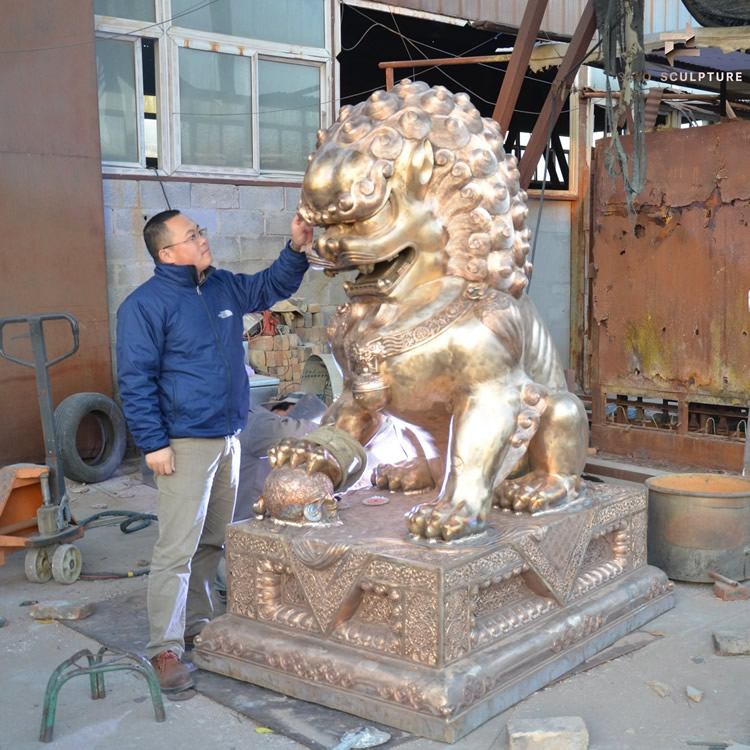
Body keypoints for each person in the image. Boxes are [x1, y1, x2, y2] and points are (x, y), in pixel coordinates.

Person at [116, 209, 312, 693]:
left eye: (200, 231)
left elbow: (271, 286)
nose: (204, 240)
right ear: (167, 252)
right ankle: (163, 648)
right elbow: (134, 380)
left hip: (228, 436)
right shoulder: (145, 305)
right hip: (183, 442)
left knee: (212, 542)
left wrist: (296, 249)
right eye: (192, 236)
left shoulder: (221, 286)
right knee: (176, 548)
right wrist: (154, 443)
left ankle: (197, 626)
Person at [214, 393, 322, 600]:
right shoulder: (260, 422)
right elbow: (302, 433)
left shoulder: (253, 418)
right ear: (286, 408)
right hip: (241, 531)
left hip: (234, 523)